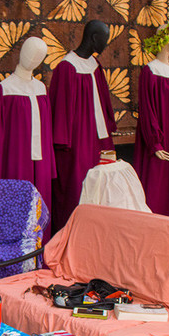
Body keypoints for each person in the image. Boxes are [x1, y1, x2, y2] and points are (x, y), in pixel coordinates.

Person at [0, 36, 57, 237]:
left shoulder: (41, 89)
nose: (33, 59)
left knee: (41, 212)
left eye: (40, 56)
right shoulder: (5, 89)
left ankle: (40, 258)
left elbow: (47, 132)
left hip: (41, 164)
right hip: (15, 162)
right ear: (21, 53)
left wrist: (50, 165)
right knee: (16, 212)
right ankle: (15, 262)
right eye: (31, 53)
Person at [48, 20, 117, 231]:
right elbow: (59, 110)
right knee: (76, 190)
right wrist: (64, 143)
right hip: (75, 143)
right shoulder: (66, 68)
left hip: (98, 140)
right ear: (94, 38)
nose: (106, 45)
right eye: (105, 39)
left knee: (101, 190)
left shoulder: (95, 67)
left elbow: (103, 103)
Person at [133, 14, 169, 219]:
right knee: (156, 184)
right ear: (165, 40)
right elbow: (147, 109)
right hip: (159, 139)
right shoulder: (150, 71)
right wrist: (155, 143)